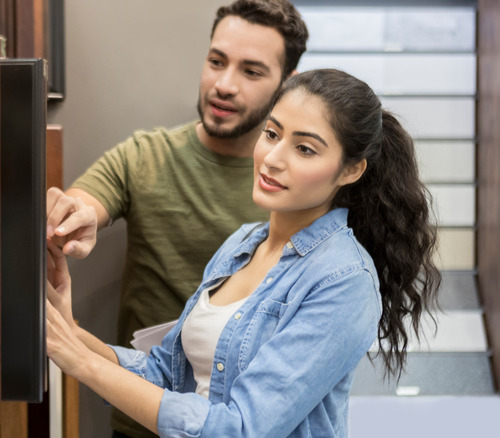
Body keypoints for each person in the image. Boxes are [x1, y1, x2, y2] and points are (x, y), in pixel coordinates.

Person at [45, 68, 441, 437]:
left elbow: (241, 428)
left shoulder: (345, 280)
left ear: (351, 170)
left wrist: (81, 363)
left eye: (304, 149)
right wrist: (73, 334)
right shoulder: (242, 244)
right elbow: (163, 373)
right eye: (272, 134)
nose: (271, 158)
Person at [47, 3, 308, 434]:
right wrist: (75, 217)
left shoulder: (300, 186)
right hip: (141, 414)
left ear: (288, 84)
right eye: (216, 61)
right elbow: (87, 201)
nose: (224, 85)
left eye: (252, 71)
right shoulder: (146, 156)